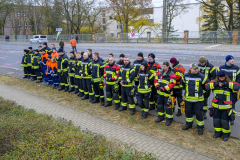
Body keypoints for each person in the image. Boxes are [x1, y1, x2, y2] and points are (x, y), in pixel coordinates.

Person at [205, 70, 239, 141]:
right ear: (218, 77)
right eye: (220, 77)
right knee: (216, 121)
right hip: (216, 107)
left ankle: (226, 134)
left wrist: (226, 84)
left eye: (223, 77)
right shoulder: (214, 82)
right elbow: (207, 86)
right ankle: (217, 133)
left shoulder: (230, 82)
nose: (221, 78)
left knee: (225, 122)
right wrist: (216, 84)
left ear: (225, 76)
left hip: (226, 108)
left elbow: (237, 86)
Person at [182, 63, 209, 135]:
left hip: (198, 100)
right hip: (188, 100)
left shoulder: (202, 77)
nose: (196, 70)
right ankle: (188, 124)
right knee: (188, 113)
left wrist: (202, 92)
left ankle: (200, 128)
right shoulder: (185, 76)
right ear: (190, 69)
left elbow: (207, 86)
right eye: (195, 69)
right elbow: (183, 85)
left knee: (199, 114)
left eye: (197, 68)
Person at [217, 55, 240, 125]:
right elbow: (217, 78)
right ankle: (223, 118)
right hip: (223, 90)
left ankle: (231, 119)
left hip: (232, 91)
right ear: (227, 60)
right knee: (223, 104)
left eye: (233, 59)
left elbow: (239, 79)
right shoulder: (221, 68)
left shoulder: (237, 68)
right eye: (231, 59)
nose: (233, 60)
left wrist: (236, 86)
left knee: (231, 106)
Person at [154, 62, 176, 126]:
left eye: (164, 66)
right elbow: (155, 80)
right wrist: (157, 86)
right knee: (159, 106)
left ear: (168, 67)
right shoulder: (159, 73)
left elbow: (172, 84)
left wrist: (164, 88)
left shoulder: (172, 74)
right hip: (160, 94)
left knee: (168, 108)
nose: (163, 67)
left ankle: (169, 119)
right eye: (162, 66)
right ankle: (161, 117)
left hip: (167, 94)